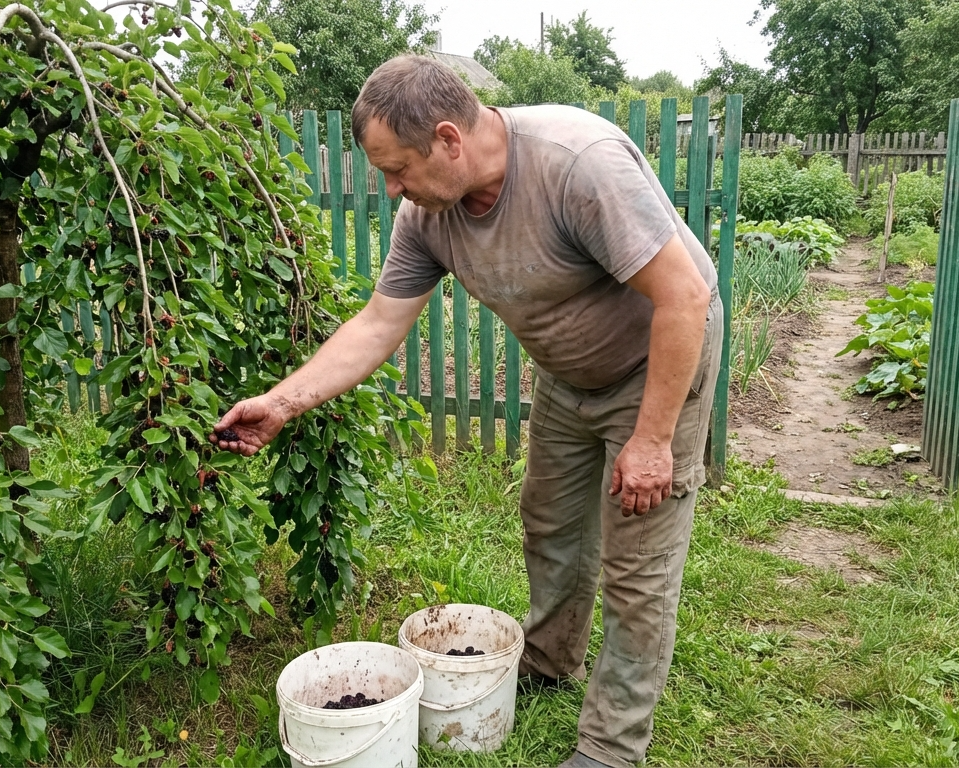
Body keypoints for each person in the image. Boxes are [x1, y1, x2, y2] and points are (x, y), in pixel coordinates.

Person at [214, 55, 722, 768]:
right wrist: (280, 403)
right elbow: (377, 325)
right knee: (550, 523)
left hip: (658, 363)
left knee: (637, 564)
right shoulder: (428, 216)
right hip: (567, 372)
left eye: (398, 169)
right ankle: (549, 659)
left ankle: (611, 745)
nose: (392, 188)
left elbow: (686, 297)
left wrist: (653, 439)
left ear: (449, 140)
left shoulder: (578, 165)